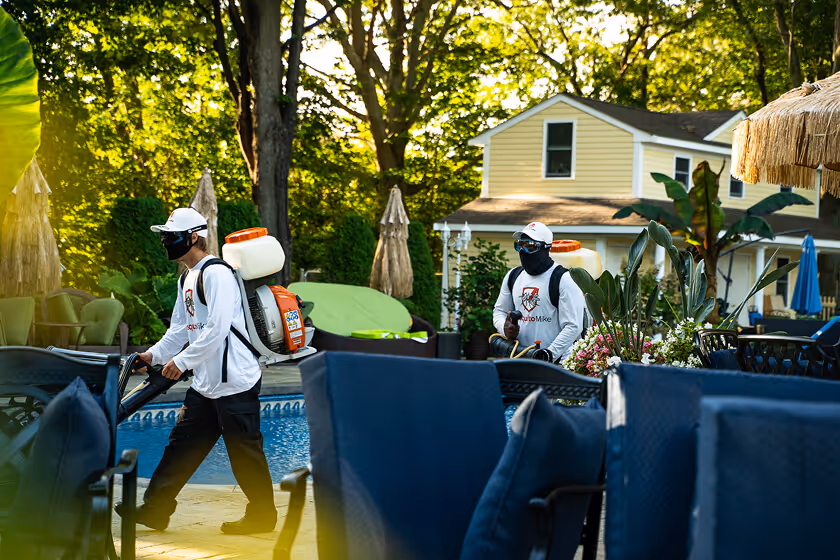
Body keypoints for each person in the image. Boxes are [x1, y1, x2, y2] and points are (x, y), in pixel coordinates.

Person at [115, 207, 276, 534]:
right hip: (206, 384)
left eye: (171, 238)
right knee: (180, 447)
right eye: (165, 238)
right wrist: (153, 355)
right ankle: (156, 510)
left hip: (235, 382)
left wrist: (181, 362)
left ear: (193, 237)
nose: (166, 243)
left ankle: (263, 516)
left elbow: (216, 329)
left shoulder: (216, 273)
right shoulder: (187, 277)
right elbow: (179, 328)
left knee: (244, 455)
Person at [492, 221, 586, 363]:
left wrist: (548, 355)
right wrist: (504, 328)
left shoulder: (563, 279)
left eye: (530, 246)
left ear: (546, 248)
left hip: (557, 364)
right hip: (519, 360)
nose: (523, 251)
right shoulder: (513, 276)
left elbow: (573, 326)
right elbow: (500, 311)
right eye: (520, 245)